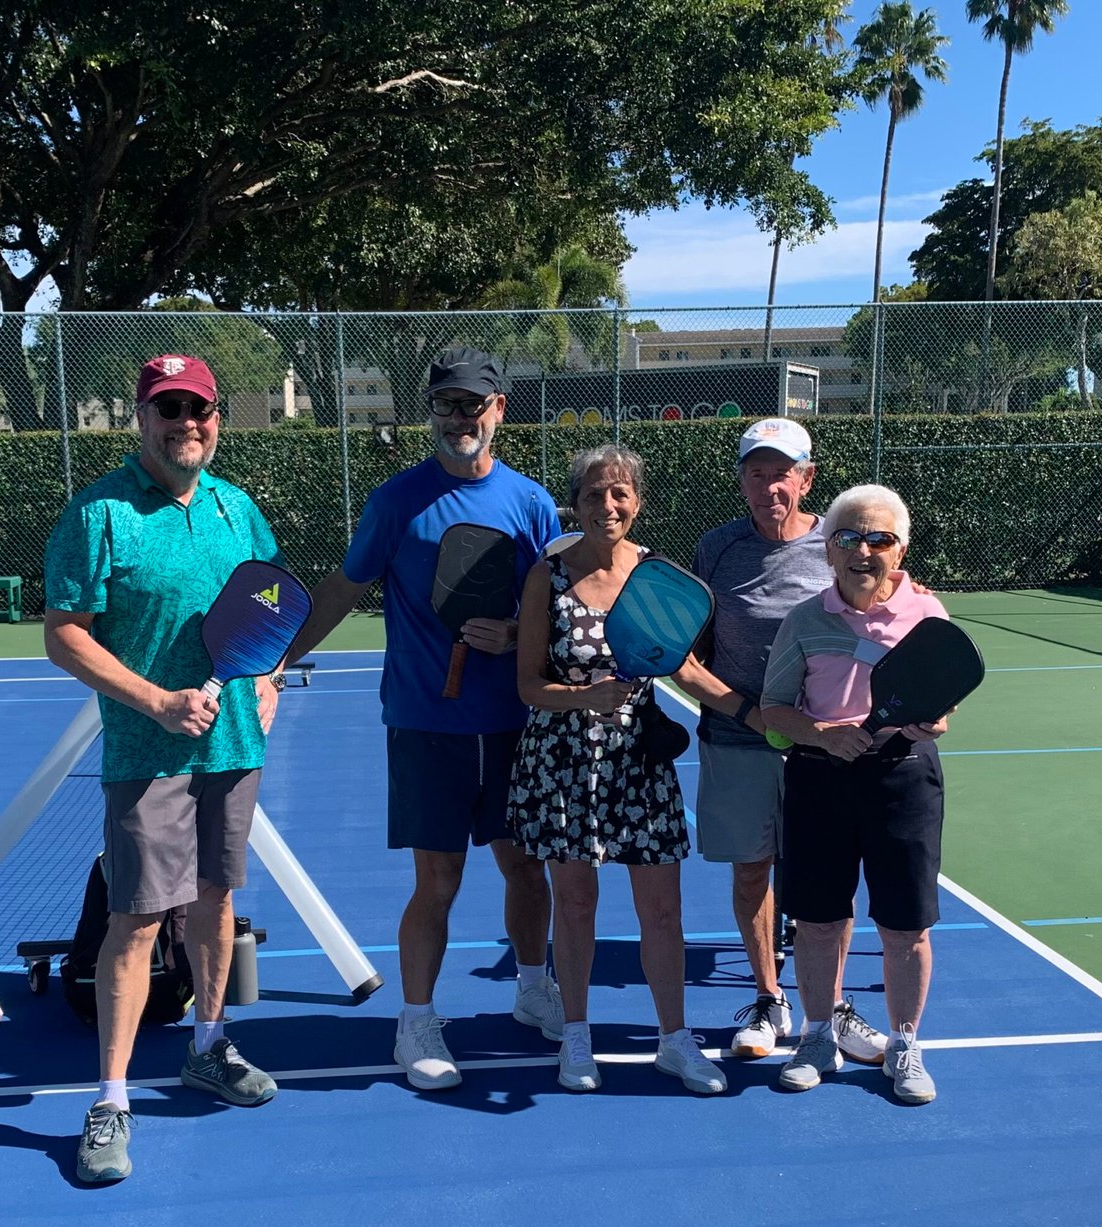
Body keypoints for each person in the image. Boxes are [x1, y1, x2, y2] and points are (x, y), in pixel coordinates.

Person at [277, 347, 565, 1090]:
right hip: (424, 721)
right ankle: (416, 1021)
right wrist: (278, 656)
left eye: (474, 404)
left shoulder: (531, 503)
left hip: (510, 720)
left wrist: (512, 634)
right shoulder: (397, 500)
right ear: (431, 411)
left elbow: (549, 604)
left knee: (524, 864)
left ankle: (534, 988)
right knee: (437, 880)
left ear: (500, 410)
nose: (459, 417)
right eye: (447, 404)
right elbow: (344, 587)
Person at [44, 354, 284, 1184]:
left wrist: (269, 679)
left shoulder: (236, 508)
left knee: (217, 902)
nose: (188, 422)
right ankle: (111, 1099)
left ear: (219, 416)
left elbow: (267, 606)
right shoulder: (98, 513)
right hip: (148, 754)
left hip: (232, 748)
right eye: (169, 408)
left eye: (202, 408)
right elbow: (65, 632)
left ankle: (208, 1045)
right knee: (138, 918)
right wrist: (155, 701)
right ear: (141, 419)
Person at [673, 417, 888, 1070]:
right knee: (751, 870)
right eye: (757, 473)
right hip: (738, 741)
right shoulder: (715, 549)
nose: (771, 486)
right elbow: (688, 657)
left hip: (825, 748)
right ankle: (770, 998)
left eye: (783, 473)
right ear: (742, 480)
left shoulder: (840, 541)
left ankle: (833, 1006)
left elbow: (885, 616)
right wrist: (746, 711)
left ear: (808, 478)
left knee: (828, 881)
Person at [508, 444, 722, 1094]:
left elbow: (685, 669)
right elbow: (528, 686)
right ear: (576, 501)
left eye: (620, 493)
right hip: (564, 762)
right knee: (574, 903)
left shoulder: (656, 576)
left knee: (662, 911)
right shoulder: (549, 575)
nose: (608, 505)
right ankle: (576, 1037)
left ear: (638, 501)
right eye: (596, 493)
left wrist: (757, 712)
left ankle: (674, 1041)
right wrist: (583, 698)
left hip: (639, 765)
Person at [757, 484, 952, 1105]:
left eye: (879, 539)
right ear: (828, 548)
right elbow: (772, 709)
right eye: (848, 537)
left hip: (903, 778)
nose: (863, 551)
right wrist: (818, 731)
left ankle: (904, 1042)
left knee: (906, 926)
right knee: (817, 921)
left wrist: (933, 720)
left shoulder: (928, 616)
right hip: (819, 778)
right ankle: (818, 1037)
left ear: (900, 550)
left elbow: (938, 703)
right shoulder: (804, 620)